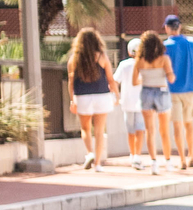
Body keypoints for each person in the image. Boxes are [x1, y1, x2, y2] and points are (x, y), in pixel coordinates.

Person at [65, 27, 118, 170]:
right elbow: (110, 79)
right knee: (100, 131)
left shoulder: (74, 59)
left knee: (85, 128)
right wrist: (117, 95)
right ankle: (98, 163)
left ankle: (89, 153)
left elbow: (71, 81)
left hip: (82, 96)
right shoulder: (101, 56)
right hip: (102, 95)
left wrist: (72, 100)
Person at [161, 12, 193, 172]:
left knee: (177, 126)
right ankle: (192, 156)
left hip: (172, 91)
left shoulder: (165, 46)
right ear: (179, 26)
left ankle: (182, 160)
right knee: (189, 124)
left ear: (167, 28)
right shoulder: (192, 42)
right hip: (191, 89)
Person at [130, 30, 175, 174]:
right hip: (161, 92)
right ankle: (168, 161)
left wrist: (146, 79)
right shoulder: (164, 59)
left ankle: (154, 162)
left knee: (150, 130)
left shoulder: (139, 60)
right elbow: (172, 79)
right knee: (164, 130)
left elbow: (134, 81)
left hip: (146, 92)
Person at [113, 36, 148, 169]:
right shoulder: (145, 63)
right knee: (140, 129)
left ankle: (133, 154)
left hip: (126, 102)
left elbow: (115, 81)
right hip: (141, 102)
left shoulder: (124, 64)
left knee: (131, 130)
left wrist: (117, 96)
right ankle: (137, 156)